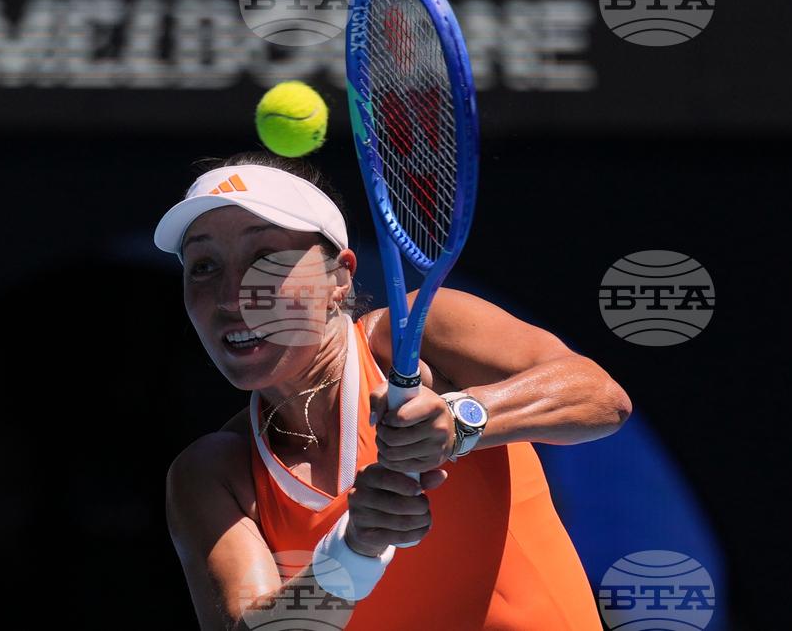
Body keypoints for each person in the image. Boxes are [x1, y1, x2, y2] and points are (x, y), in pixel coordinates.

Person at [156, 151, 632, 631]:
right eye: (202, 267)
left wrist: (461, 420)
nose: (233, 296)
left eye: (264, 258)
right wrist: (353, 552)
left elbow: (601, 397)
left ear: (338, 277)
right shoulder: (211, 475)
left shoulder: (419, 333)